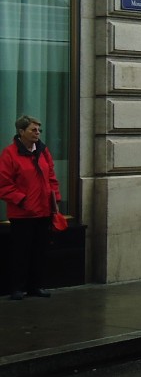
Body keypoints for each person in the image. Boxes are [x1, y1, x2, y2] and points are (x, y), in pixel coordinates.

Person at [0, 116, 62, 300]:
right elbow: (4, 184)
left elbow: (51, 176)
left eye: (38, 130)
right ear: (21, 132)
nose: (37, 133)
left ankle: (36, 286)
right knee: (21, 252)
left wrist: (55, 199)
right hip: (22, 214)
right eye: (33, 130)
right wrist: (22, 200)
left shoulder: (43, 151)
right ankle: (18, 288)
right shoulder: (10, 154)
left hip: (43, 211)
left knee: (39, 251)